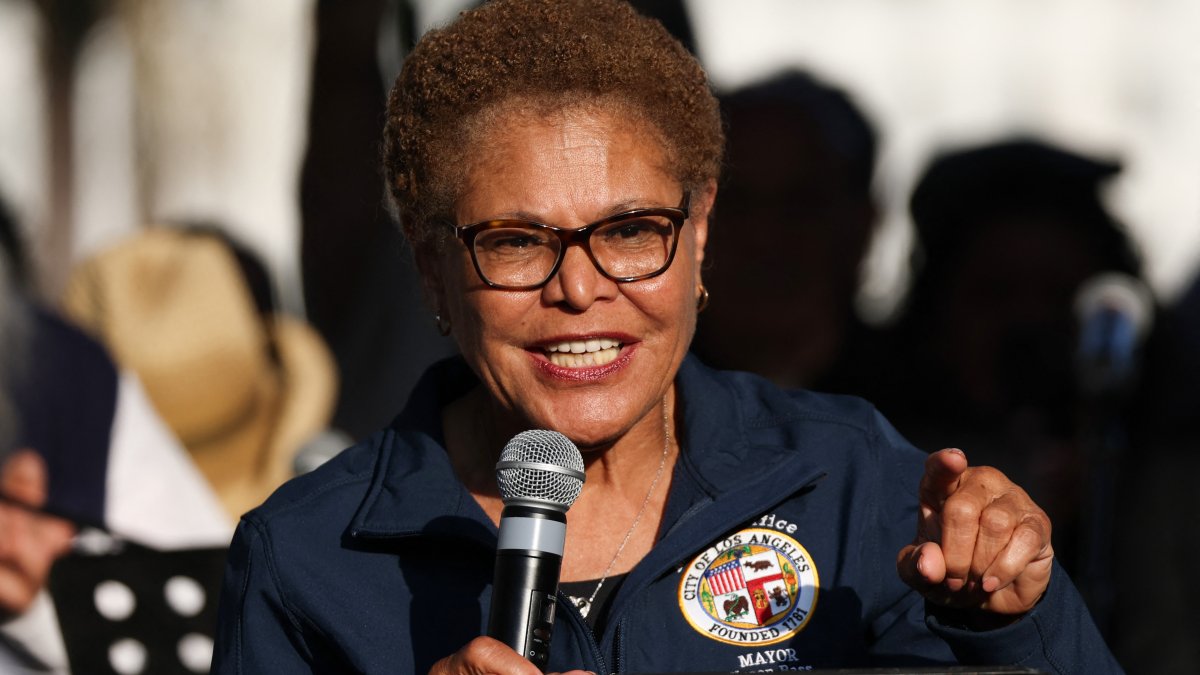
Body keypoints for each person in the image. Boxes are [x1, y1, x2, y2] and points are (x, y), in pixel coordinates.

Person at [213, 1, 1119, 673]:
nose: (579, 288)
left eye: (630, 231)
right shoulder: (308, 557)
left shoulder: (851, 484)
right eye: (517, 242)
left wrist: (1015, 624)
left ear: (700, 234)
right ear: (431, 269)